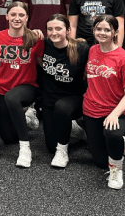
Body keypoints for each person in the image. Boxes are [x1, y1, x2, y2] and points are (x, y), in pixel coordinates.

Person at [83, 15, 125, 189]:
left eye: (107, 30)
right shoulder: (92, 50)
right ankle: (118, 144)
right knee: (99, 162)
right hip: (91, 110)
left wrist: (114, 114)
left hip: (116, 112)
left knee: (112, 133)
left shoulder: (124, 58)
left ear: (115, 32)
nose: (102, 33)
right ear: (93, 31)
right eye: (98, 29)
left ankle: (117, 169)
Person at [0, 2, 44, 167]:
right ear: (7, 16)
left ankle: (25, 149)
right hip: (1, 87)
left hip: (26, 87)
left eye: (21, 15)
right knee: (7, 138)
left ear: (27, 18)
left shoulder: (35, 38)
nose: (17, 18)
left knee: (12, 98)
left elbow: (42, 63)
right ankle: (26, 117)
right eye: (13, 14)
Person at [40, 14, 89, 168]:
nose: (54, 32)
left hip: (74, 99)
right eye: (50, 29)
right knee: (50, 147)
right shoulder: (45, 44)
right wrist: (35, 32)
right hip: (50, 100)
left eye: (58, 29)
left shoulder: (81, 49)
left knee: (62, 107)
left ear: (68, 30)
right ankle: (76, 130)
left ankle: (63, 151)